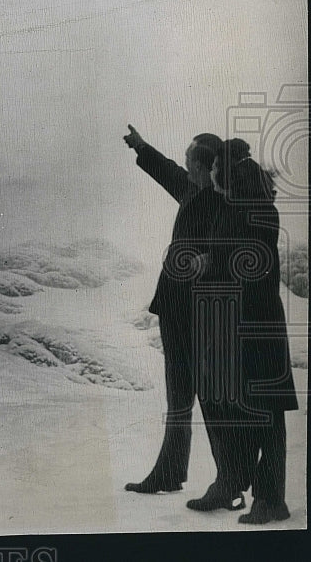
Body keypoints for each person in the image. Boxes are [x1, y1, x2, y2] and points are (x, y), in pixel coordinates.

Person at [187, 139, 298, 523]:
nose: (211, 173)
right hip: (240, 328)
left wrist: (211, 262)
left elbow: (248, 266)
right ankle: (234, 484)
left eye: (216, 167)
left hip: (257, 329)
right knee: (237, 409)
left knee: (266, 416)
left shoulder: (257, 212)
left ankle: (271, 499)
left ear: (229, 173)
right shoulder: (239, 209)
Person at [122, 125, 223, 494]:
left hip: (201, 311)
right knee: (179, 396)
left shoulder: (221, 200)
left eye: (188, 160)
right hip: (176, 307)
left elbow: (233, 250)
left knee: (211, 399)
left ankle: (229, 479)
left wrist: (209, 260)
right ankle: (169, 474)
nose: (183, 164)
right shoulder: (191, 189)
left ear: (204, 166)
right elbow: (166, 170)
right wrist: (142, 146)